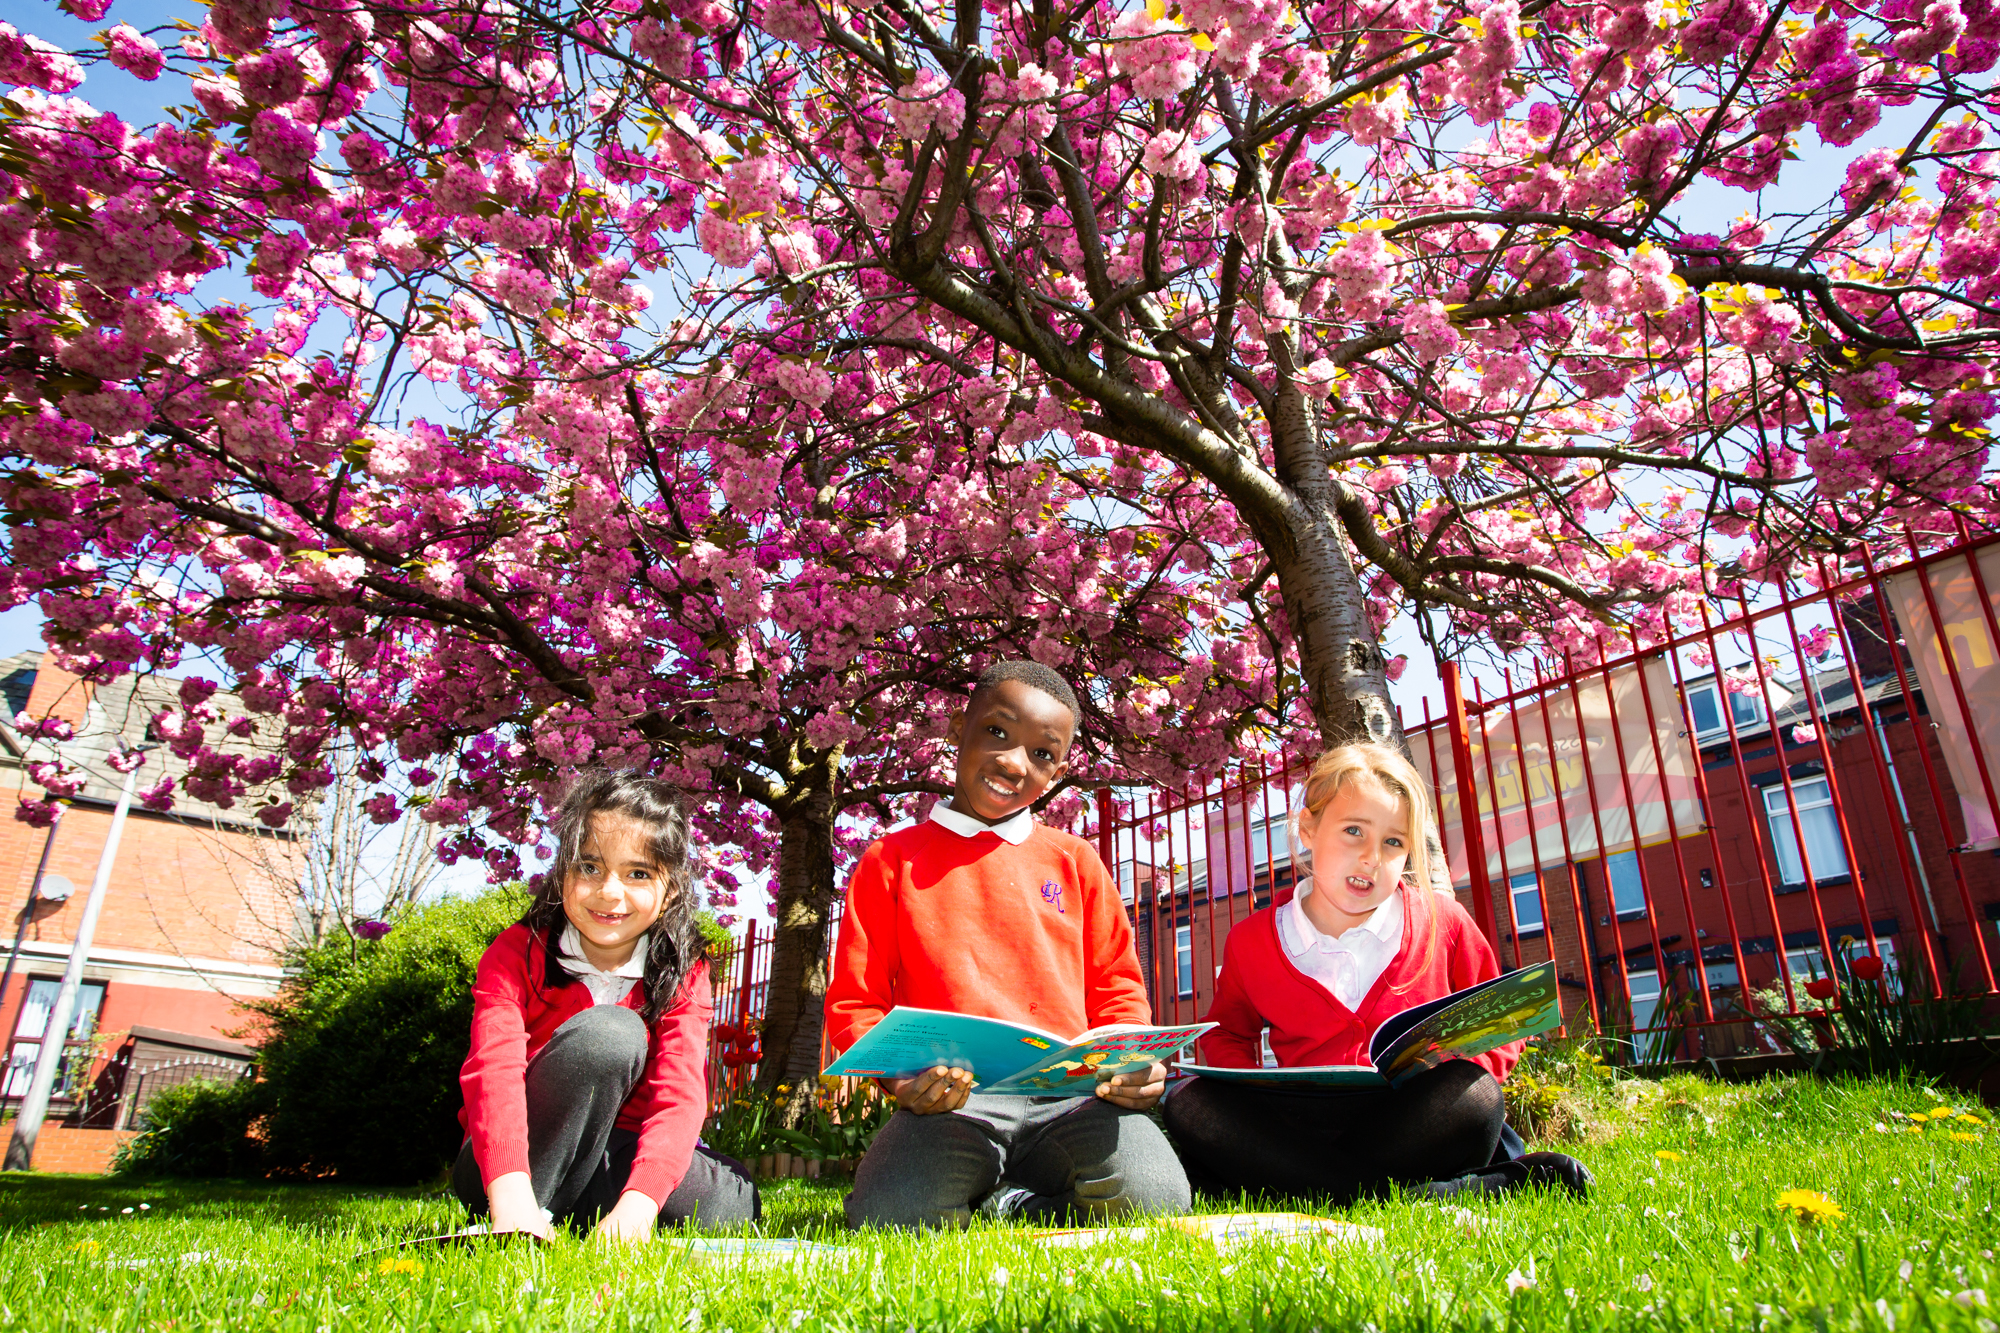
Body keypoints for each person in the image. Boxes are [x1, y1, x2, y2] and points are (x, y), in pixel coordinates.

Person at [825, 660, 1192, 1229]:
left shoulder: (1076, 862)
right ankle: (981, 1185)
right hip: (950, 1104)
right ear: (957, 728)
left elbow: (1118, 986)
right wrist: (901, 1080)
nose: (1014, 763)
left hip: (1074, 1099)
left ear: (1059, 769)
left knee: (1154, 1199)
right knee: (892, 1217)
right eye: (997, 732)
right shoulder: (891, 861)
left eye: (1042, 754)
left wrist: (1130, 1061)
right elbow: (856, 1000)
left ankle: (1016, 1204)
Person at [1163, 742, 1590, 1202]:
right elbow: (1228, 1035)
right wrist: (1251, 1101)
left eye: (1393, 842)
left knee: (1473, 1092)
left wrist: (1461, 1068)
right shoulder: (1252, 941)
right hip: (1298, 1125)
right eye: (1353, 831)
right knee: (1188, 1103)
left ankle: (1314, 1187)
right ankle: (1430, 1196)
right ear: (1308, 828)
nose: (1372, 857)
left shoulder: (1441, 920)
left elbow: (1504, 1023)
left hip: (1411, 1121)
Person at [454, 770, 759, 1239]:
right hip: (514, 1162)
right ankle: (527, 1209)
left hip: (618, 1152)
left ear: (672, 888)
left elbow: (679, 1094)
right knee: (611, 1035)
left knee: (730, 1201)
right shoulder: (516, 953)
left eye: (638, 873)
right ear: (562, 873)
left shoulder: (682, 970)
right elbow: (493, 1070)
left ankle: (577, 1209)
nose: (609, 892)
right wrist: (509, 1190)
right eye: (589, 867)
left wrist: (635, 1213)